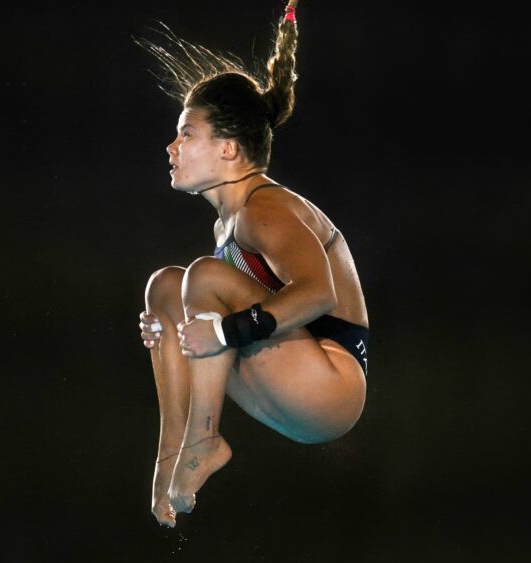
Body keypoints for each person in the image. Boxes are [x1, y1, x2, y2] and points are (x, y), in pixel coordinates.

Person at [137, 0, 370, 528]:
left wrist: (225, 330)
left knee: (202, 278)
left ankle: (204, 438)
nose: (171, 147)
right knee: (165, 289)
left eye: (186, 133)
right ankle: (173, 454)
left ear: (229, 148)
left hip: (332, 383)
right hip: (292, 375)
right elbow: (206, 312)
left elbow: (318, 293)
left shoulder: (265, 209)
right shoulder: (227, 223)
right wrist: (176, 329)